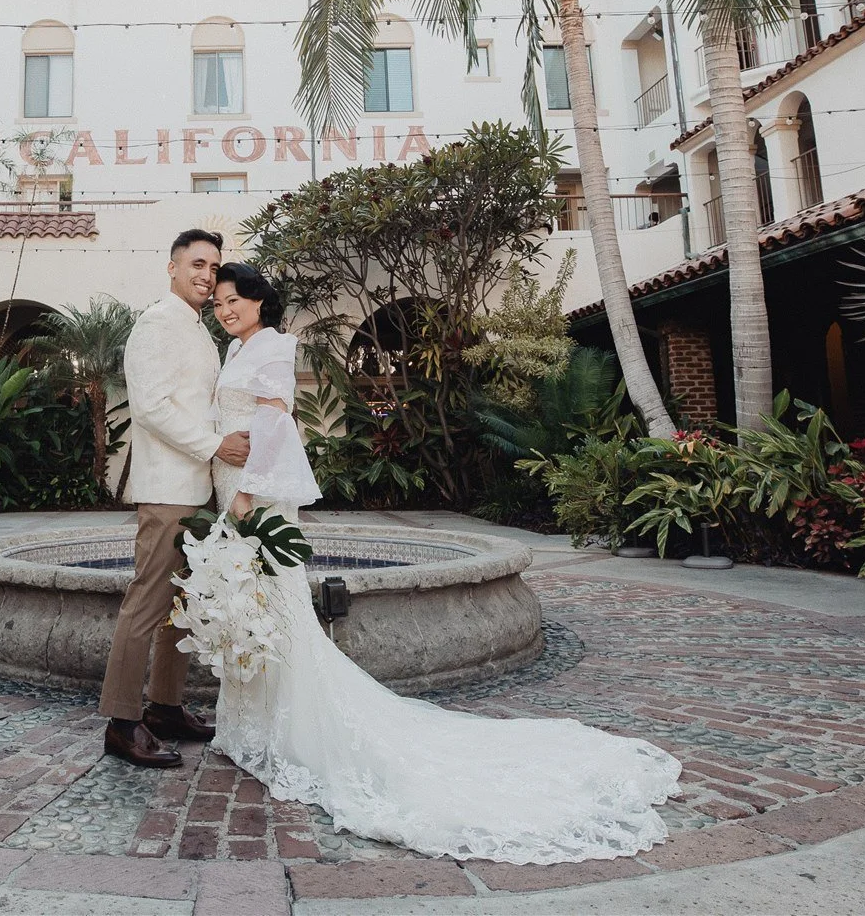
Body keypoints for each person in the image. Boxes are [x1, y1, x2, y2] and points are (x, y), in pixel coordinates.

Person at [206, 261, 685, 866]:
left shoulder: (273, 345)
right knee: (253, 605)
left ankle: (293, 730)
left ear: (258, 300)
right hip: (232, 486)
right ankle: (253, 723)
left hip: (255, 492)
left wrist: (248, 492)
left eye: (234, 300)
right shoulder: (236, 349)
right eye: (219, 302)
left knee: (274, 604)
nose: (225, 309)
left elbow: (277, 421)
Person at [99, 229, 251, 769]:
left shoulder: (199, 330)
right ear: (172, 267)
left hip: (200, 491)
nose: (207, 275)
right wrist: (216, 445)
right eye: (197, 264)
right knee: (147, 605)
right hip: (166, 490)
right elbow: (152, 408)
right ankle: (121, 721)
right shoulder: (158, 323)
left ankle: (164, 707)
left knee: (180, 608)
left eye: (214, 267)